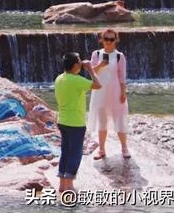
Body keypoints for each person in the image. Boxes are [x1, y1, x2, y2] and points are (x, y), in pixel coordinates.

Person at [54, 52, 102, 194]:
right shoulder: (77, 80)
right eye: (79, 61)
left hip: (62, 121)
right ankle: (69, 186)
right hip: (75, 122)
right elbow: (98, 85)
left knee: (65, 152)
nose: (81, 62)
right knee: (75, 154)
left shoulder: (59, 78)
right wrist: (91, 69)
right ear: (75, 65)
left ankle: (62, 185)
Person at [88, 29, 130, 160]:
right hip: (100, 91)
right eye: (106, 39)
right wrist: (100, 65)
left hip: (115, 90)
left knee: (119, 119)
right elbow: (91, 72)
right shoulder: (96, 54)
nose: (108, 42)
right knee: (102, 121)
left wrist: (123, 93)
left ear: (116, 40)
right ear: (102, 39)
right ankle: (101, 149)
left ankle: (124, 147)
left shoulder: (119, 56)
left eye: (111, 39)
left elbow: (122, 76)